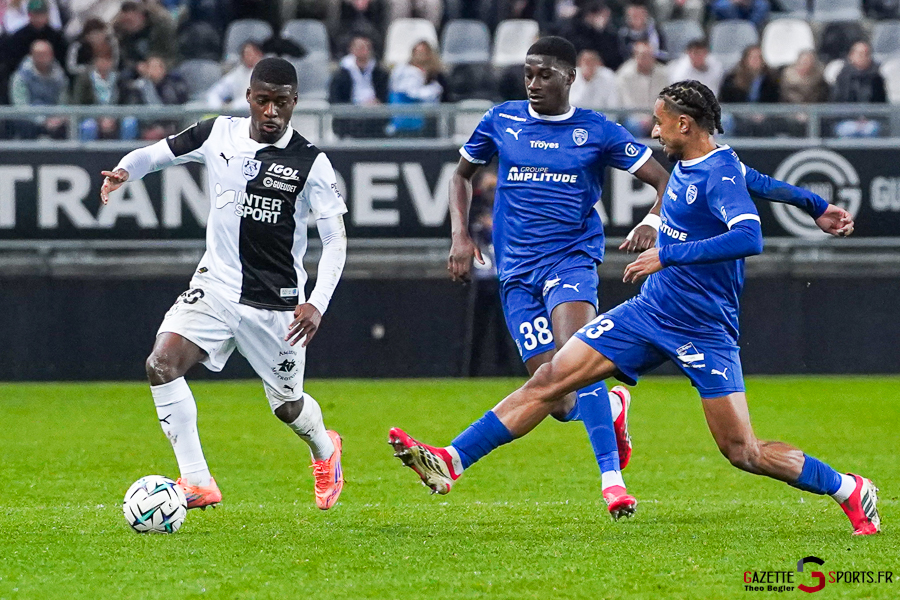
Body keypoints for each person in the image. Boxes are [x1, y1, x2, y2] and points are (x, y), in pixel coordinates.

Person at [389, 79, 879, 537]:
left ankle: (848, 488)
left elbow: (748, 237)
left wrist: (669, 253)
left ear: (685, 125)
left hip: (704, 330)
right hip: (649, 312)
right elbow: (766, 183)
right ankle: (451, 460)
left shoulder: (719, 173)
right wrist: (815, 204)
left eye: (659, 120)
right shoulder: (703, 164)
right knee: (550, 381)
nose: (653, 128)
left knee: (743, 452)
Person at [392, 36, 674, 519]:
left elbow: (665, 179)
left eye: (545, 74)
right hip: (516, 273)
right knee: (558, 397)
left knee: (576, 358)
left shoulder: (596, 131)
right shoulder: (501, 120)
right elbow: (461, 175)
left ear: (570, 77)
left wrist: (650, 222)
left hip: (570, 262)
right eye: (528, 74)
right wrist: (460, 236)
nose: (534, 83)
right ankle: (610, 411)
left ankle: (613, 483)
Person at [99, 57, 348, 512]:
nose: (271, 111)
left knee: (288, 408)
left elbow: (335, 240)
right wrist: (124, 171)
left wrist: (317, 303)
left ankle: (326, 451)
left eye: (282, 103)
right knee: (161, 363)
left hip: (275, 305)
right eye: (263, 100)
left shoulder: (312, 163)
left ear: (295, 103)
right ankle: (197, 481)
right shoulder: (218, 133)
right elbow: (156, 155)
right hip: (215, 285)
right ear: (249, 98)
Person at [329, 33, 390, 138]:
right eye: (359, 47)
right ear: (351, 49)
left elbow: (385, 95)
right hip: (349, 116)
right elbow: (334, 98)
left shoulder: (380, 73)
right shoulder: (341, 74)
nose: (362, 50)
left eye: (365, 47)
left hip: (374, 115)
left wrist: (377, 102)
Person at [9, 38, 68, 139]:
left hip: (54, 119)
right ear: (31, 56)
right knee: (25, 125)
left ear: (51, 55)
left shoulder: (60, 77)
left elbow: (63, 101)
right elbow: (20, 105)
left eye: (45, 54)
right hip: (29, 120)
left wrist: (57, 118)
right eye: (38, 54)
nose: (42, 58)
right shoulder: (20, 77)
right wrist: (42, 121)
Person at [387, 39, 446, 136]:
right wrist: (432, 90)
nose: (420, 55)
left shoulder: (436, 74)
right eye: (417, 52)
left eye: (423, 52)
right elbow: (410, 92)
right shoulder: (405, 71)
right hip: (408, 118)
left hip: (431, 118)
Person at [831, 41, 887, 137]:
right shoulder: (842, 77)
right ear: (851, 55)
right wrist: (854, 118)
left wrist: (866, 118)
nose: (863, 57)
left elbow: (880, 102)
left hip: (870, 121)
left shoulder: (877, 78)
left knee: (871, 129)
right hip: (846, 120)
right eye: (860, 54)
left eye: (866, 54)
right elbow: (837, 102)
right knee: (847, 130)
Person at [615, 39, 669, 136]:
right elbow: (626, 103)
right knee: (634, 126)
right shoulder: (625, 74)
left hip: (657, 116)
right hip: (633, 117)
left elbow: (666, 100)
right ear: (635, 56)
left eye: (650, 56)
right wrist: (642, 119)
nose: (647, 59)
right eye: (643, 56)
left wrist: (653, 118)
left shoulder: (663, 74)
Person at [205, 41, 264, 110]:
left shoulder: (266, 72)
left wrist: (233, 106)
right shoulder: (237, 74)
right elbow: (215, 92)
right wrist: (218, 108)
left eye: (251, 53)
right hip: (239, 115)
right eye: (246, 53)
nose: (248, 56)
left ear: (259, 54)